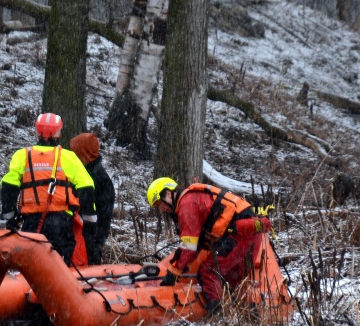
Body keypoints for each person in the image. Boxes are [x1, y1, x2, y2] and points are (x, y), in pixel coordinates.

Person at [146, 177, 272, 315]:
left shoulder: (186, 205)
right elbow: (197, 242)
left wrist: (174, 271)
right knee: (235, 277)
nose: (162, 209)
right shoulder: (192, 198)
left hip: (238, 234)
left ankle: (216, 314)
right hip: (249, 231)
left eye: (159, 204)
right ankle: (250, 315)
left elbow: (189, 245)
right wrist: (183, 265)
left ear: (168, 194)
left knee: (209, 271)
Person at [0, 113, 97, 265]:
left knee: (31, 264)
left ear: (37, 131)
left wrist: (9, 218)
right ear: (58, 133)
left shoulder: (22, 155)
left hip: (31, 222)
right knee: (60, 265)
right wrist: (90, 221)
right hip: (61, 223)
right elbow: (87, 187)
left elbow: (9, 186)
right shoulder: (68, 157)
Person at [70, 132, 115, 265]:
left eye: (74, 150)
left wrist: (95, 243)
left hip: (90, 238)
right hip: (79, 235)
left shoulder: (100, 179)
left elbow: (104, 216)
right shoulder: (83, 172)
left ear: (82, 152)